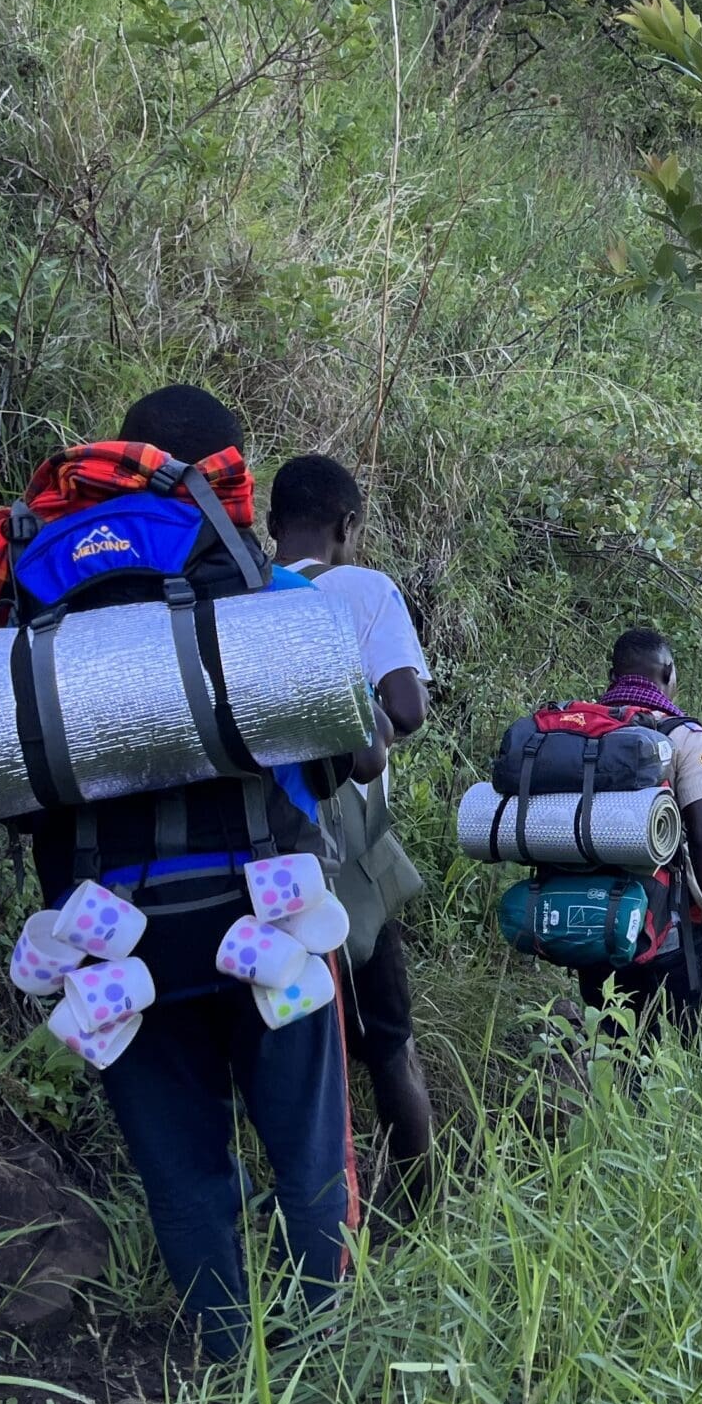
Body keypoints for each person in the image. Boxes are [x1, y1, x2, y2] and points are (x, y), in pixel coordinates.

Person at [0, 384, 358, 1361]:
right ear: (221, 484)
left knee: (181, 1173)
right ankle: (328, 1369)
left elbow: (6, 790)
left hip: (111, 932)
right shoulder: (266, 589)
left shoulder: (30, 610)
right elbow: (348, 752)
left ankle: (234, 1377)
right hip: (268, 912)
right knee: (309, 1159)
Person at [266, 455, 435, 1216]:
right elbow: (406, 709)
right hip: (342, 858)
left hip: (253, 857)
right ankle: (418, 1202)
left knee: (292, 1039)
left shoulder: (234, 593)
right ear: (346, 527)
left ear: (270, 525)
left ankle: (305, 1210)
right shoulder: (364, 590)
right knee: (388, 1037)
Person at [578, 628, 702, 1040]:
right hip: (673, 939)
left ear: (612, 674)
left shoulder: (579, 732)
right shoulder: (683, 735)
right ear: (668, 672)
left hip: (595, 929)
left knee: (622, 1066)